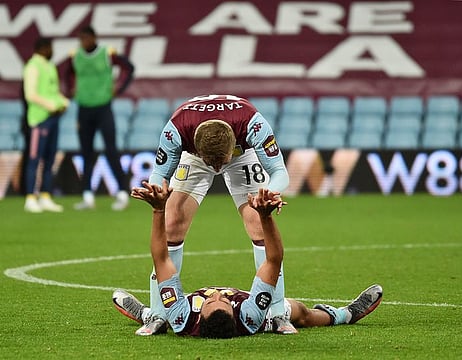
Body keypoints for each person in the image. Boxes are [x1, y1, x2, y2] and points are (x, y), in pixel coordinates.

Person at [112, 181, 383, 338]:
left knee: (168, 317)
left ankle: (149, 314)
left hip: (178, 317)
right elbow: (274, 261)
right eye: (223, 302)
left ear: (199, 315)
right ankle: (345, 314)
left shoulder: (184, 317)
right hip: (258, 316)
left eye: (211, 300)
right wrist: (265, 217)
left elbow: (161, 259)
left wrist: (159, 211)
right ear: (235, 313)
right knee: (296, 311)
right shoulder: (249, 316)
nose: (218, 295)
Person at [145, 94, 294, 334]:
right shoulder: (176, 130)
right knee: (172, 221)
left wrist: (266, 195)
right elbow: (158, 174)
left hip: (240, 156)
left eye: (220, 163)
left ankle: (277, 312)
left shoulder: (252, 125)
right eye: (212, 164)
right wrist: (157, 192)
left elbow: (279, 172)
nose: (217, 169)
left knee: (258, 221)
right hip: (194, 160)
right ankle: (158, 314)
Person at [65, 25, 134, 211]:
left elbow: (129, 68)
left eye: (86, 38)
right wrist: (70, 90)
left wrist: (118, 88)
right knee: (86, 153)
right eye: (81, 39)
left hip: (103, 107)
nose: (84, 42)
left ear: (94, 38)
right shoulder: (75, 56)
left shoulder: (107, 53)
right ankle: (87, 196)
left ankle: (121, 193)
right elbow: (67, 74)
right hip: (84, 108)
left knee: (111, 150)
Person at [23, 37, 70, 213]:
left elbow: (53, 92)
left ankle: (45, 196)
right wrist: (51, 105)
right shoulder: (33, 66)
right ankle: (30, 197)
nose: (52, 52)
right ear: (43, 48)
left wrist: (63, 102)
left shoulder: (49, 66)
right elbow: (30, 94)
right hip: (38, 119)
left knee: (49, 160)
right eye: (50, 48)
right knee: (34, 159)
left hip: (53, 118)